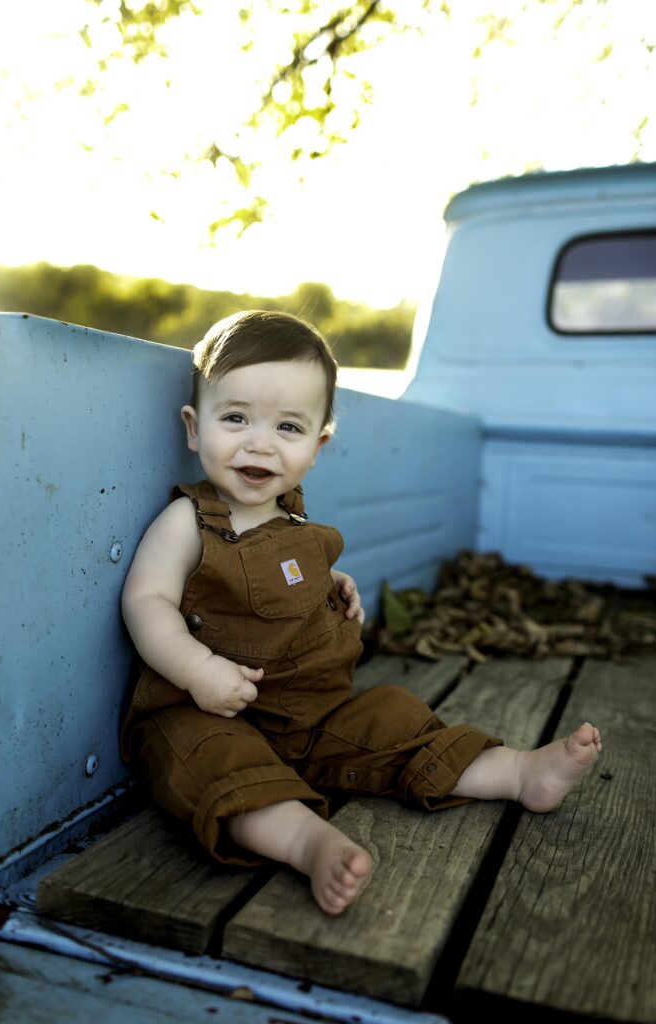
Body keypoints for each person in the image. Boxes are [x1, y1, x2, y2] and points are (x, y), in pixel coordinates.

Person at [120, 310, 602, 916]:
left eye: (288, 426)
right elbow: (147, 601)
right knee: (214, 763)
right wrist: (196, 669)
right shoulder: (189, 521)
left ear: (317, 445)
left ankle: (517, 773)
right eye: (235, 417)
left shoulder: (293, 518)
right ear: (195, 428)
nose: (259, 442)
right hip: (206, 711)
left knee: (392, 717)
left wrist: (334, 585)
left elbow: (285, 582)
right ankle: (307, 840)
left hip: (315, 716)